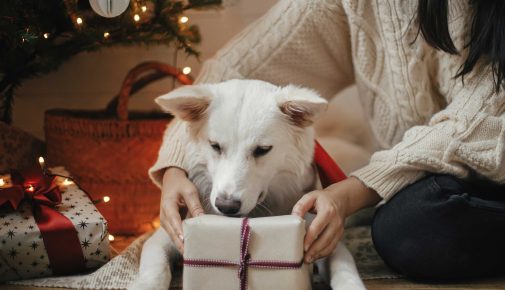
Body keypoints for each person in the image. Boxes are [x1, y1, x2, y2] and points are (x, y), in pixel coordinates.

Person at [149, 0, 505, 281]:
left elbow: (484, 119)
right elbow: (230, 72)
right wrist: (175, 168)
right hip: (431, 181)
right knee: (405, 222)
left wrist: (351, 193)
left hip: (494, 172)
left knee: (407, 231)